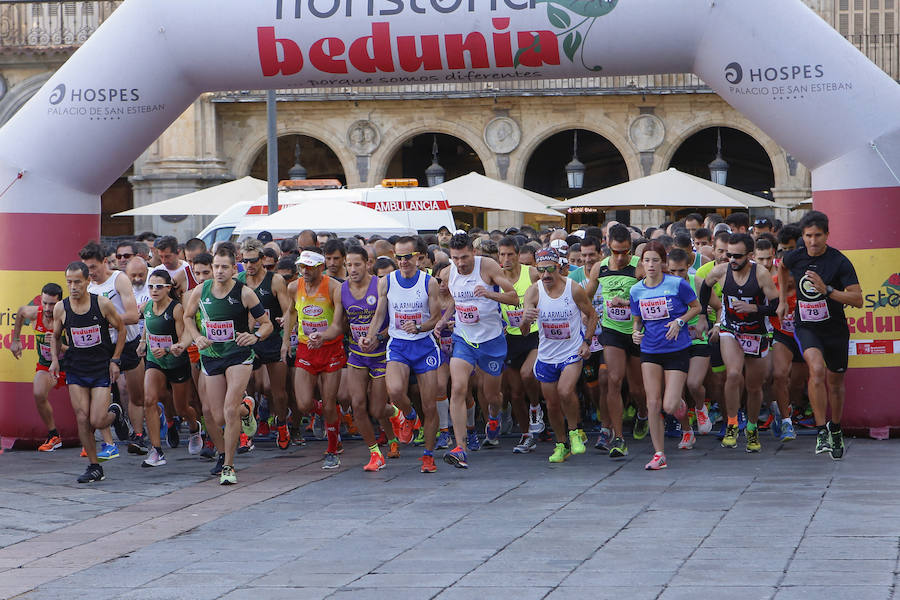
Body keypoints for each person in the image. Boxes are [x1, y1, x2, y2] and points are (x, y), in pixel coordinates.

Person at [183, 246, 273, 484]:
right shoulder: (201, 291)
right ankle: (247, 409)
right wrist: (196, 336)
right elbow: (188, 317)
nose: (219, 271)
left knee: (228, 410)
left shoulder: (245, 293)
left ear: (235, 269)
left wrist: (255, 336)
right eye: (216, 266)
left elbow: (267, 324)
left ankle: (228, 466)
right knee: (217, 416)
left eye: (225, 267)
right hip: (212, 356)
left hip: (238, 355)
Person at [778, 211, 862, 460]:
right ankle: (820, 429)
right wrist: (783, 300)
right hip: (807, 325)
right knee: (815, 369)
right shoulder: (796, 257)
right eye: (808, 236)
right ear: (802, 236)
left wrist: (828, 290)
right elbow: (782, 268)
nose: (812, 241)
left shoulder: (839, 261)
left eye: (817, 236)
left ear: (827, 235)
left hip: (834, 328)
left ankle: (835, 427)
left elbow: (857, 299)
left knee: (835, 382)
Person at [436, 233, 518, 468]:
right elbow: (456, 300)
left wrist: (489, 293)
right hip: (464, 339)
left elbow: (513, 298)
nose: (460, 263)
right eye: (455, 258)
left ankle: (494, 416)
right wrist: (445, 320)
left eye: (464, 257)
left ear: (473, 252)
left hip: (491, 341)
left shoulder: (488, 266)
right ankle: (460, 448)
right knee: (459, 388)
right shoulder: (448, 272)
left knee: (491, 395)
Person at [363, 237, 443, 472]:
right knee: (395, 390)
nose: (403, 262)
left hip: (423, 345)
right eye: (398, 257)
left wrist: (419, 327)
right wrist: (370, 335)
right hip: (398, 344)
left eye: (407, 257)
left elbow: (436, 317)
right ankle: (409, 416)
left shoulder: (429, 282)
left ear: (418, 257)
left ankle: (428, 456)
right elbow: (379, 314)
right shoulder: (386, 282)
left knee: (429, 406)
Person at [49, 262, 129, 483]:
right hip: (76, 367)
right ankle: (94, 466)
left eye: (77, 282)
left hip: (100, 366)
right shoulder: (61, 308)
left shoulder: (101, 304)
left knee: (97, 418)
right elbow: (55, 336)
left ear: (87, 282)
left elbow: (121, 329)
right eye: (69, 282)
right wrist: (55, 360)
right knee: (83, 418)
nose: (73, 286)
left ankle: (116, 412)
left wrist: (115, 360)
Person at [700, 233, 780, 452]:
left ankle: (752, 428)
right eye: (728, 255)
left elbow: (776, 305)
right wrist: (702, 316)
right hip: (731, 329)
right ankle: (732, 423)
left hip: (757, 332)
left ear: (750, 255)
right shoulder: (721, 271)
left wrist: (755, 308)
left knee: (754, 386)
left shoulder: (761, 274)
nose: (732, 260)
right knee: (733, 374)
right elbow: (704, 286)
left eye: (737, 256)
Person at [519, 248, 596, 463]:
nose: (546, 275)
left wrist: (586, 342)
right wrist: (525, 319)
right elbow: (525, 331)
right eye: (541, 270)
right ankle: (561, 444)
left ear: (560, 267)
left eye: (550, 269)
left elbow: (592, 315)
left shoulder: (573, 289)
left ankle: (574, 432)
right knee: (551, 404)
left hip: (571, 351)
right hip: (546, 355)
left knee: (565, 391)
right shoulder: (533, 292)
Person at [630, 242, 701, 470]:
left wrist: (680, 321)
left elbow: (696, 307)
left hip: (676, 348)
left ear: (663, 263)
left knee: (669, 406)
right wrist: (635, 333)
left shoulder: (677, 284)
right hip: (650, 349)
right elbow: (637, 320)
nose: (651, 265)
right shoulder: (636, 290)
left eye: (655, 260)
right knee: (652, 403)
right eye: (647, 260)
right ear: (642, 263)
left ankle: (686, 424)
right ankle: (659, 454)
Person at [327, 246, 393, 471]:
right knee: (357, 405)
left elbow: (394, 323)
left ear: (368, 264)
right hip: (357, 354)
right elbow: (337, 326)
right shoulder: (341, 290)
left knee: (377, 409)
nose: (352, 269)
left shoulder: (381, 285)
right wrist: (320, 335)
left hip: (382, 355)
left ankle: (397, 413)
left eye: (357, 264)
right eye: (349, 265)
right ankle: (375, 454)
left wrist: (379, 335)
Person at [281, 249, 347, 470]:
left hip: (330, 348)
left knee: (330, 402)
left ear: (321, 267)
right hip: (306, 348)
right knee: (303, 403)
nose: (304, 271)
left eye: (309, 267)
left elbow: (338, 325)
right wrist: (285, 342)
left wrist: (323, 336)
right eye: (302, 267)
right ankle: (330, 418)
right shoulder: (293, 287)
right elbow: (291, 312)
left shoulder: (333, 287)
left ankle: (331, 448)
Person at [586, 224, 645, 458]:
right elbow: (587, 296)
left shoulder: (638, 268)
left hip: (637, 331)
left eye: (625, 252)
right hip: (612, 330)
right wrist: (585, 312)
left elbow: (651, 296)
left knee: (638, 387)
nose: (620, 257)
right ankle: (618, 437)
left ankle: (642, 413)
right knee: (613, 379)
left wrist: (629, 305)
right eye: (616, 251)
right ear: (607, 246)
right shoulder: (599, 268)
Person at [80, 241, 141, 459]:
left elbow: (133, 315)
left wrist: (107, 319)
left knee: (133, 394)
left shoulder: (119, 279)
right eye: (87, 268)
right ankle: (110, 441)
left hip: (129, 341)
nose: (91, 273)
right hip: (103, 347)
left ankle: (141, 430)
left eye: (94, 267)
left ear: (105, 262)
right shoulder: (86, 285)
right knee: (103, 392)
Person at [137, 269, 201, 467]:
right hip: (154, 360)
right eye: (151, 286)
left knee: (182, 407)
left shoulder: (176, 309)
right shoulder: (147, 306)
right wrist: (142, 342)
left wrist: (169, 348)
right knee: (149, 400)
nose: (154, 290)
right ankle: (156, 450)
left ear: (168, 288)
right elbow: (148, 326)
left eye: (159, 286)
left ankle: (194, 427)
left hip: (175, 361)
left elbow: (182, 339)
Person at [238, 239, 292, 450]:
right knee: (245, 385)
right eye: (245, 261)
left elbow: (289, 310)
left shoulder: (275, 280)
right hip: (248, 339)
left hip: (272, 338)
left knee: (277, 391)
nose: (249, 265)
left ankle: (281, 423)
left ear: (262, 259)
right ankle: (247, 431)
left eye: (253, 261)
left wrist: (285, 334)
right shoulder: (239, 280)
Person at [497, 237, 542, 454]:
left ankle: (535, 406)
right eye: (502, 254)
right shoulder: (495, 279)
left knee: (527, 374)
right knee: (514, 393)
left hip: (534, 335)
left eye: (510, 254)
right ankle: (526, 435)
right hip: (510, 338)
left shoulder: (531, 273)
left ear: (517, 255)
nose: (506, 259)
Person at [10, 284, 67, 451]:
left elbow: (76, 350)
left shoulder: (66, 317)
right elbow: (21, 312)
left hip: (70, 365)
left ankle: (90, 440)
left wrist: (58, 344)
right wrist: (16, 340)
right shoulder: (35, 313)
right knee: (38, 393)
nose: (48, 308)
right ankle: (53, 435)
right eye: (45, 303)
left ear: (60, 302)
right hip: (46, 365)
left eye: (52, 304)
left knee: (82, 404)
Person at [666, 249, 715, 440]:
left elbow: (719, 307)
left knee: (693, 383)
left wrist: (716, 325)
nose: (677, 276)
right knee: (676, 392)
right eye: (672, 272)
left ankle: (701, 408)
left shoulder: (697, 282)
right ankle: (686, 430)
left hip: (697, 339)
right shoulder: (662, 285)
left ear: (688, 267)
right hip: (674, 341)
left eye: (680, 271)